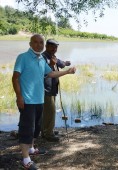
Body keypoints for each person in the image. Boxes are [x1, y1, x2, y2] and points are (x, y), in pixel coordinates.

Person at [12, 34, 76, 169]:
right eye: (35, 42)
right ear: (30, 44)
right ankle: (25, 160)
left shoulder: (41, 59)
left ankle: (31, 149)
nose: (38, 45)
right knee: (26, 129)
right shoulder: (22, 57)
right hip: (27, 101)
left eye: (41, 42)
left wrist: (67, 72)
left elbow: (51, 73)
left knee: (36, 128)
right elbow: (15, 78)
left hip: (39, 99)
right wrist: (19, 96)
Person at [41, 39, 71, 142]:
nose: (54, 49)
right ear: (46, 46)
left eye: (56, 47)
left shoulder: (53, 56)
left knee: (47, 112)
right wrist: (51, 64)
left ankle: (46, 130)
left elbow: (61, 64)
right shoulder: (43, 57)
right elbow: (44, 72)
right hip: (46, 89)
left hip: (53, 89)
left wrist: (66, 63)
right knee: (50, 111)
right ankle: (48, 134)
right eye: (52, 46)